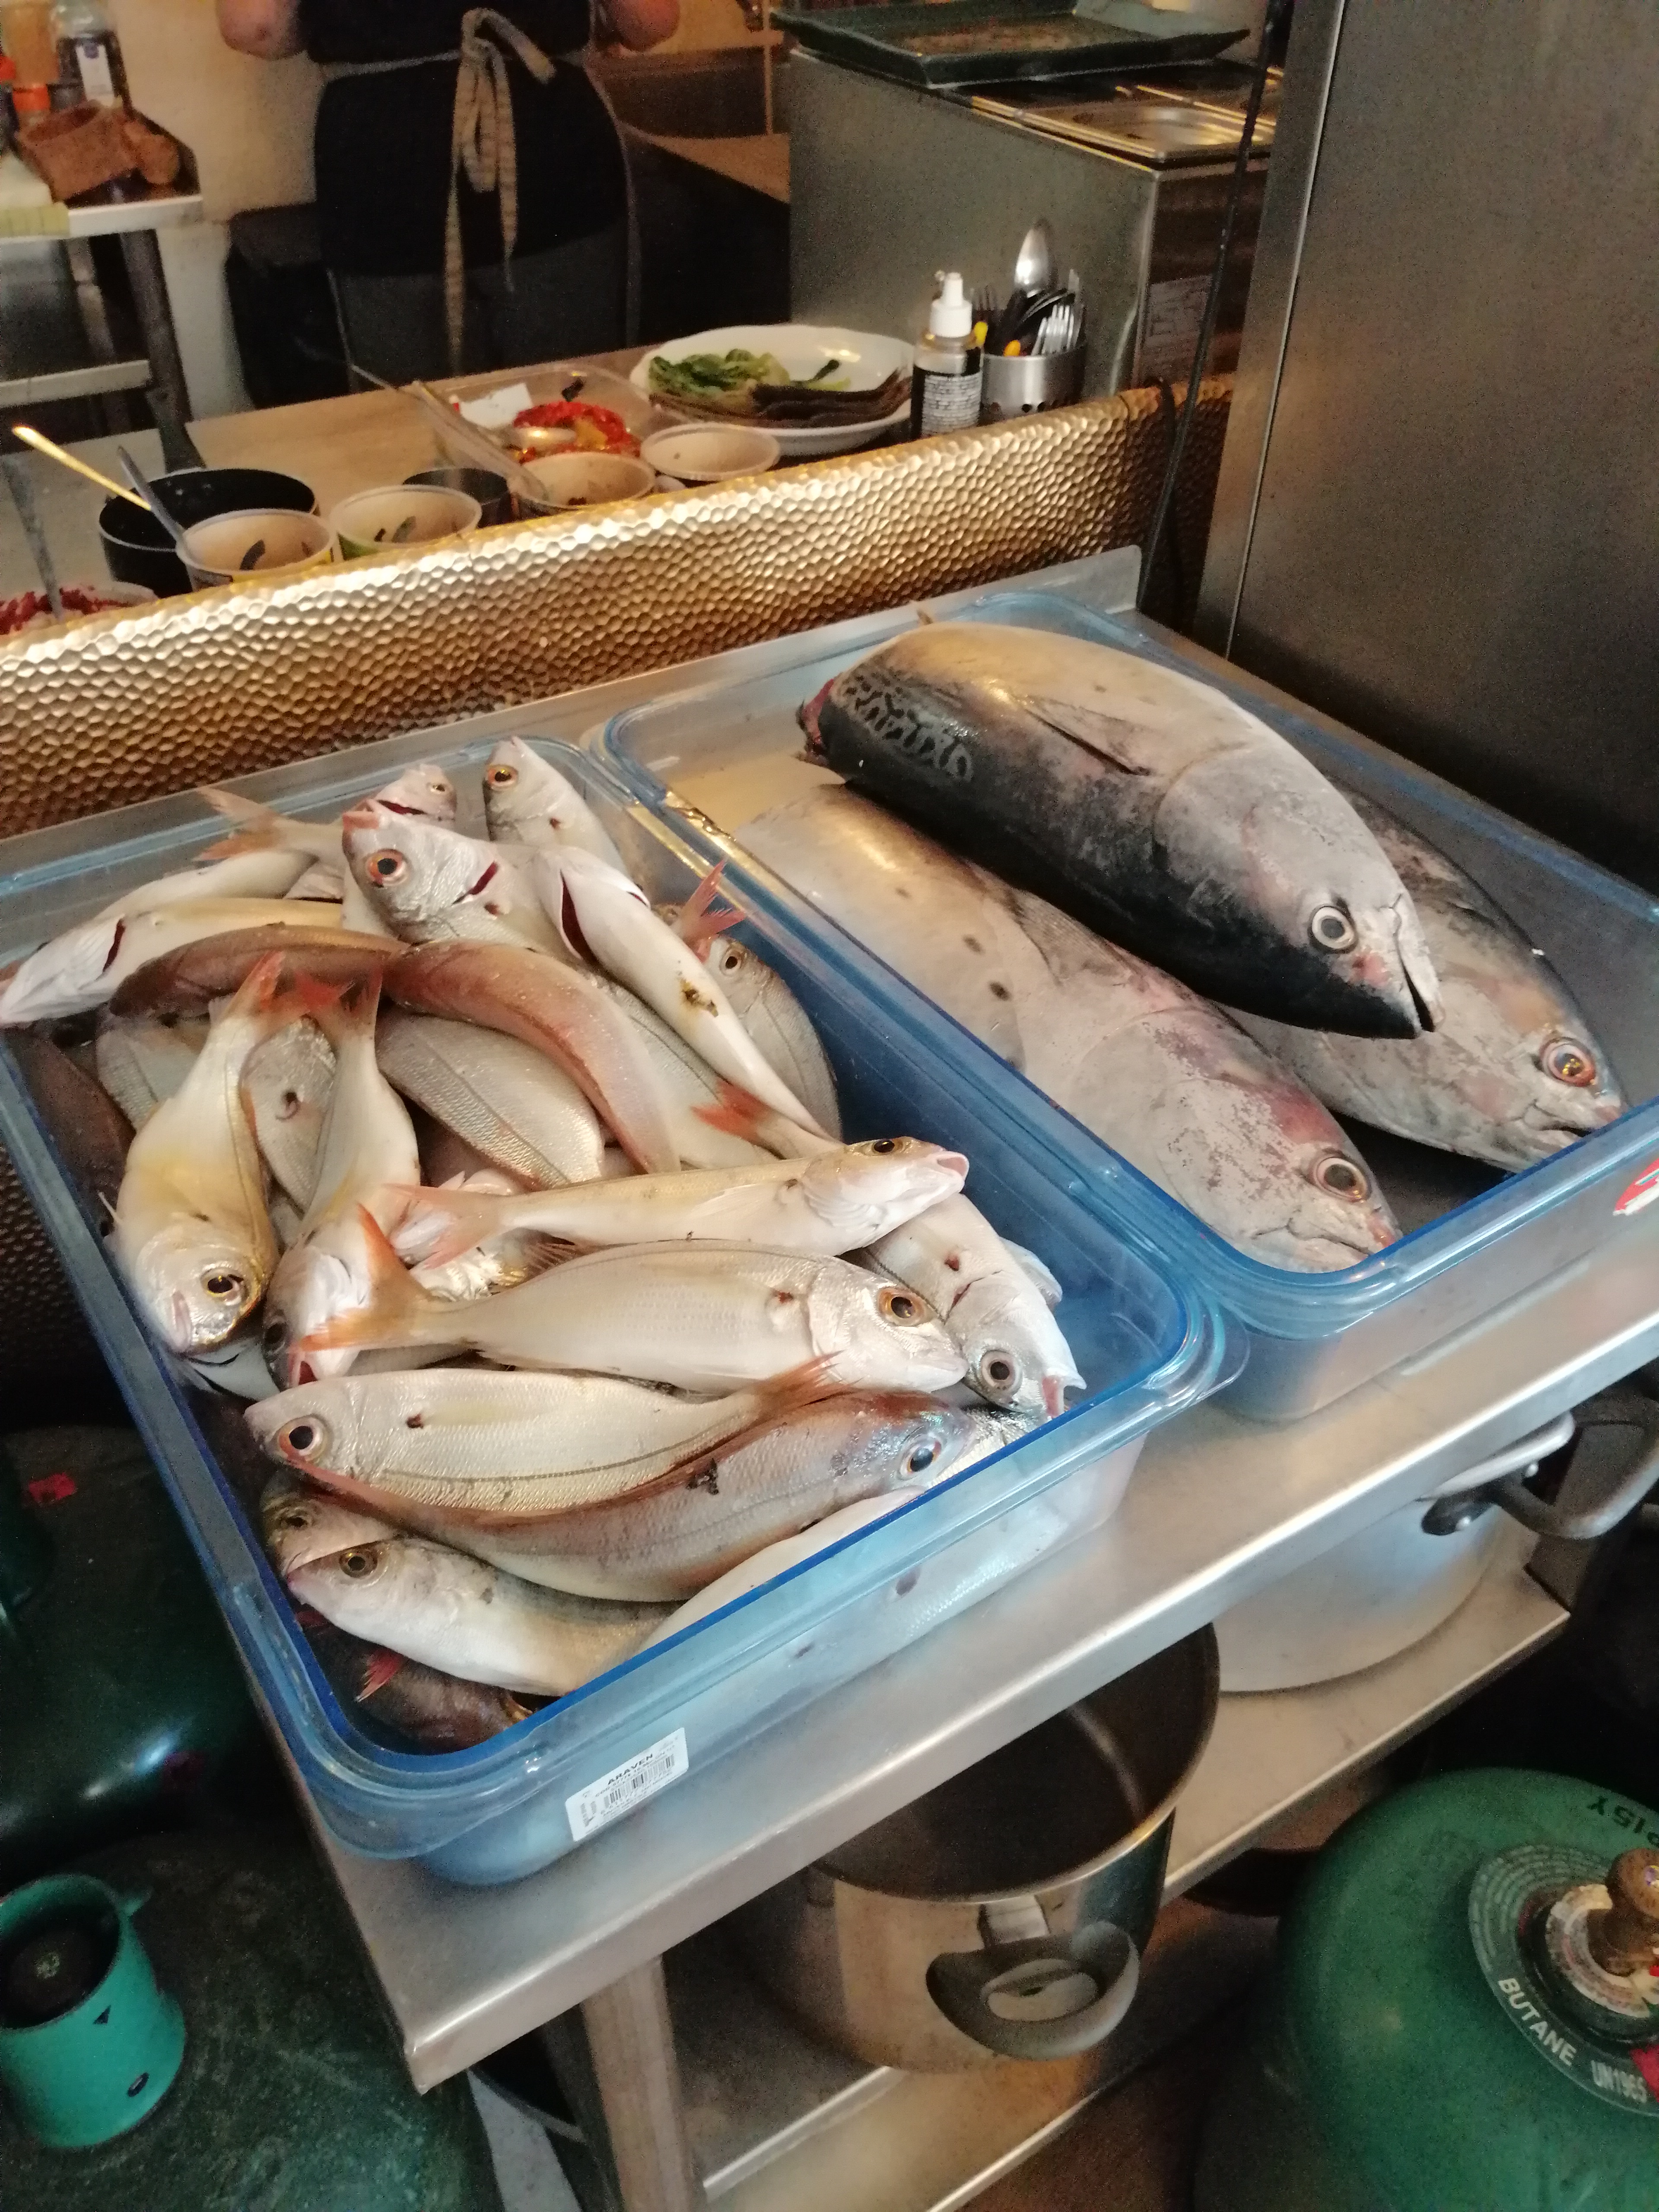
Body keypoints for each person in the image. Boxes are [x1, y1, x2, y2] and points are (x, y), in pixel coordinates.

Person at [216, 0, 679, 383]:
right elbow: (649, 21)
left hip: (386, 172)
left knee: (416, 428)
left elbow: (256, 26)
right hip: (550, 163)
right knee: (571, 413)